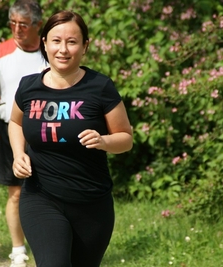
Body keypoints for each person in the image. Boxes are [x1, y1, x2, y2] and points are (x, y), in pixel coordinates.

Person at [8, 10, 133, 267]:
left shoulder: (100, 87)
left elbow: (126, 138)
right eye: (56, 41)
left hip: (91, 202)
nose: (63, 49)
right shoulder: (29, 86)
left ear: (85, 46)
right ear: (44, 43)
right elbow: (15, 122)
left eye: (72, 42)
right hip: (40, 196)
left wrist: (104, 141)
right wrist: (19, 154)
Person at [0, 0, 46, 266]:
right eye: (12, 23)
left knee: (48, 191)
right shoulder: (0, 51)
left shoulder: (49, 50)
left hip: (44, 129)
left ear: (37, 25)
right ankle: (18, 249)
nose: (16, 29)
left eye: (23, 24)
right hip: (10, 129)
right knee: (16, 193)